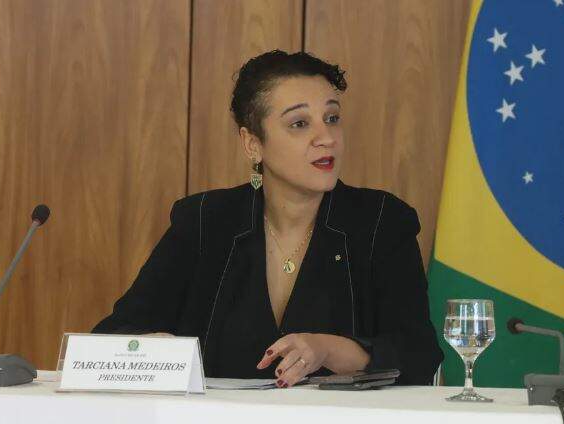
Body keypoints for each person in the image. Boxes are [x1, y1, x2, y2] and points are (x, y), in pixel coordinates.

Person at [93, 50, 443, 387]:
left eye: (332, 118)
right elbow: (114, 334)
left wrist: (330, 349)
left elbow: (420, 354)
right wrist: (151, 346)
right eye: (299, 123)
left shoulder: (382, 221)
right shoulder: (204, 221)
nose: (326, 138)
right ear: (252, 143)